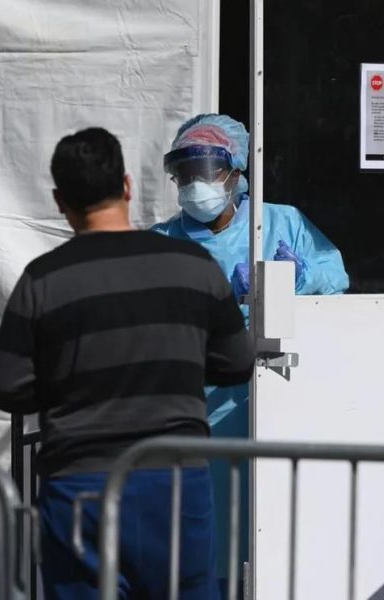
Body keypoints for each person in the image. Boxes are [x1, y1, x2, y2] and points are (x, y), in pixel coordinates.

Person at [0, 127, 256, 599]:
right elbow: (236, 363)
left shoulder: (43, 280)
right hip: (176, 484)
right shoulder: (194, 266)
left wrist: (68, 381)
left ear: (60, 201)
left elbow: (7, 386)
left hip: (80, 487)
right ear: (127, 187)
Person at [152, 113, 349, 596]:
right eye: (185, 173)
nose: (195, 184)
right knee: (199, 540)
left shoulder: (280, 223)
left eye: (206, 170)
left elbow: (337, 282)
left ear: (237, 172)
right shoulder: (160, 243)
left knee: (270, 530)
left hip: (271, 405)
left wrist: (298, 280)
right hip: (192, 416)